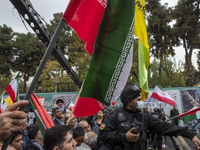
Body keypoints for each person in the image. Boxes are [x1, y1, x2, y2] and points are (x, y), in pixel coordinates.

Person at [98, 85, 200, 150]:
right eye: (138, 100)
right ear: (129, 102)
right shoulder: (113, 116)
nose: (142, 103)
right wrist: (124, 137)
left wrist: (190, 134)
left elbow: (166, 127)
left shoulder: (145, 117)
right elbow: (102, 136)